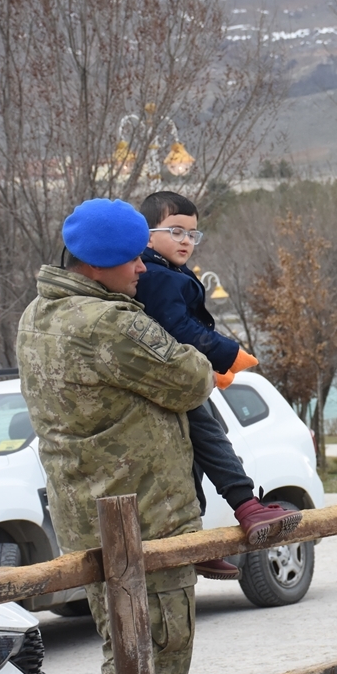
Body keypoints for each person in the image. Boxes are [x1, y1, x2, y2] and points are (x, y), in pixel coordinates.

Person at [16, 198, 213, 674]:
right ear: (99, 263)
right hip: (144, 521)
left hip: (87, 518)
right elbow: (193, 379)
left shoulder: (36, 315)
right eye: (133, 258)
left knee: (123, 648)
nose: (143, 269)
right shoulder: (111, 324)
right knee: (156, 657)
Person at [137, 192, 301, 580]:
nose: (185, 241)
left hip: (178, 375)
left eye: (193, 235)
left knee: (194, 451)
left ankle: (191, 534)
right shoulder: (157, 276)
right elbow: (179, 328)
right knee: (210, 438)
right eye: (175, 230)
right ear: (146, 236)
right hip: (171, 377)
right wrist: (226, 353)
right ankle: (246, 506)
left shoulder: (167, 272)